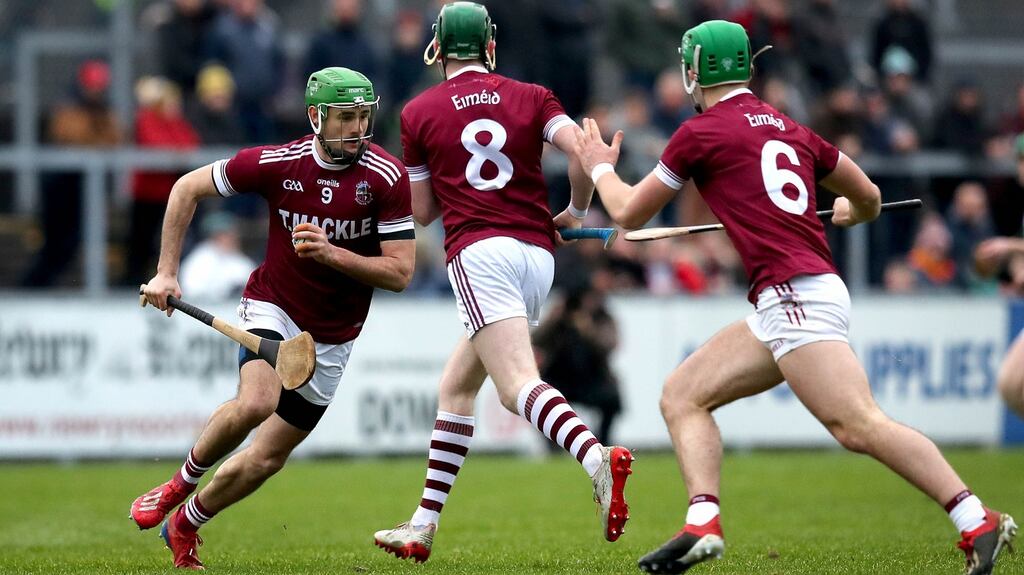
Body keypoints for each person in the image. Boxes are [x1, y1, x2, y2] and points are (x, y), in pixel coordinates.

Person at [574, 20, 1017, 575]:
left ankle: (977, 519)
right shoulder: (789, 126)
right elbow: (870, 196)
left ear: (697, 71)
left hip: (795, 297)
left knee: (858, 425)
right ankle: (702, 524)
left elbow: (628, 213)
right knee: (683, 395)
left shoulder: (701, 132)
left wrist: (599, 168)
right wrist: (856, 214)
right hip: (789, 297)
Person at [372, 2, 634, 563]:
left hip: (479, 252)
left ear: (437, 50)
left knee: (516, 388)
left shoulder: (418, 111)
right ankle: (422, 525)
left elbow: (419, 214)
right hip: (536, 257)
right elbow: (583, 155)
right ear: (491, 48)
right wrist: (575, 213)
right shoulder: (534, 96)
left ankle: (596, 457)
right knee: (458, 388)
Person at [132, 67, 415, 570]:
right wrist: (166, 273)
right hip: (274, 306)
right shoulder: (277, 164)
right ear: (316, 117)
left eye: (363, 117)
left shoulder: (386, 177)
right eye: (345, 117)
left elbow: (400, 272)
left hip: (333, 335)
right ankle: (179, 483)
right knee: (257, 401)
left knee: (267, 459)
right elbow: (185, 188)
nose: (356, 128)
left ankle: (187, 522)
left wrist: (332, 255)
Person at [179, 211, 257, 301]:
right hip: (207, 310)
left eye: (232, 234)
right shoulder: (200, 258)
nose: (231, 238)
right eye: (225, 234)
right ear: (214, 236)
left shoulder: (241, 260)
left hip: (236, 309)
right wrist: (224, 290)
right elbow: (191, 290)